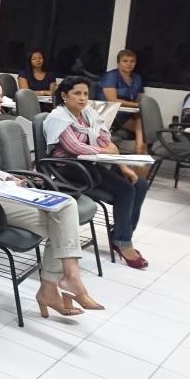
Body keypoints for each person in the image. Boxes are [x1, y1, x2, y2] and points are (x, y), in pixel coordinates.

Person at [0, 75, 103, 317]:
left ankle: (62, 282)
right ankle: (60, 284)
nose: (1, 100)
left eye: (0, 95)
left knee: (67, 206)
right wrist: (4, 186)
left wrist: (7, 177)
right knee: (62, 227)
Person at [46, 76, 148, 269]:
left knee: (140, 184)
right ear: (64, 96)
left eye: (85, 94)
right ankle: (123, 242)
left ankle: (122, 233)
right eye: (77, 93)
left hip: (90, 164)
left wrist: (123, 166)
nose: (83, 98)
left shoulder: (87, 115)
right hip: (68, 168)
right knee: (126, 189)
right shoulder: (58, 118)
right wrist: (105, 151)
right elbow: (75, 147)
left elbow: (107, 141)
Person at [97, 49, 146, 153]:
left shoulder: (137, 78)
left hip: (129, 114)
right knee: (144, 126)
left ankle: (139, 150)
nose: (129, 64)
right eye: (125, 61)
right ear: (118, 62)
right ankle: (139, 151)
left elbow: (140, 98)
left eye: (132, 61)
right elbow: (112, 100)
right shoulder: (111, 76)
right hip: (111, 114)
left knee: (145, 122)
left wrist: (137, 106)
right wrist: (136, 105)